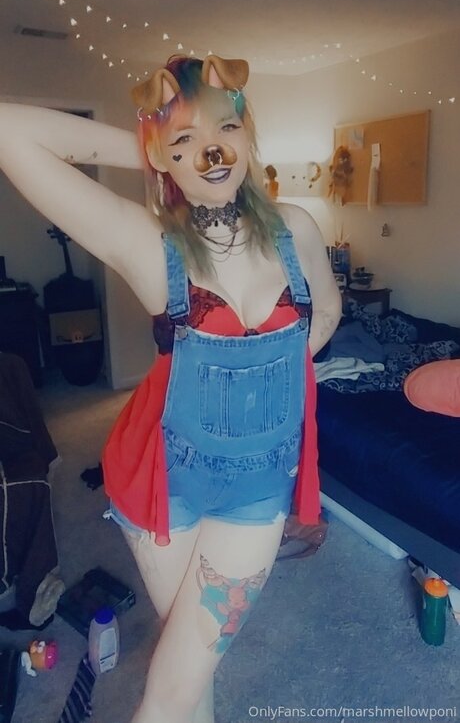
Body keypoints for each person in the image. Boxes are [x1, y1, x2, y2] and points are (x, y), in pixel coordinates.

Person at [0, 54, 341, 723]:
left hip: (254, 488)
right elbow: (9, 131)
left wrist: (270, 372)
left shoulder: (296, 228)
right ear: (162, 154)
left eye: (225, 128)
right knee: (187, 674)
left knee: (180, 677)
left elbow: (326, 310)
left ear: (247, 133)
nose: (212, 150)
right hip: (158, 480)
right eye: (186, 139)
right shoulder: (145, 239)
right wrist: (153, 145)